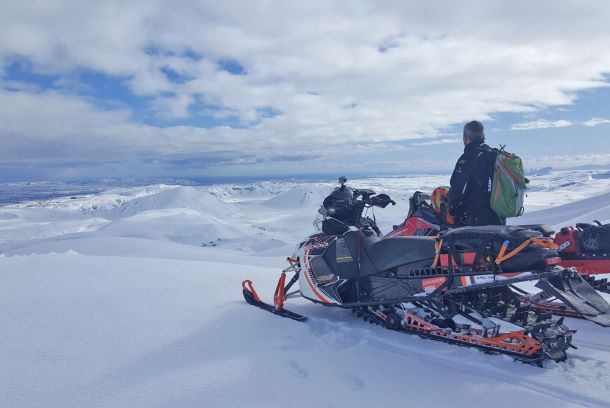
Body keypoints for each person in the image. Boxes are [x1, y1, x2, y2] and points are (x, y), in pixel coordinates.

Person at [447, 121, 505, 226]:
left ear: (465, 138)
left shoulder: (469, 157)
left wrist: (451, 209)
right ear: (483, 136)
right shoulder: (495, 155)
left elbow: (458, 188)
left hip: (475, 221)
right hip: (498, 219)